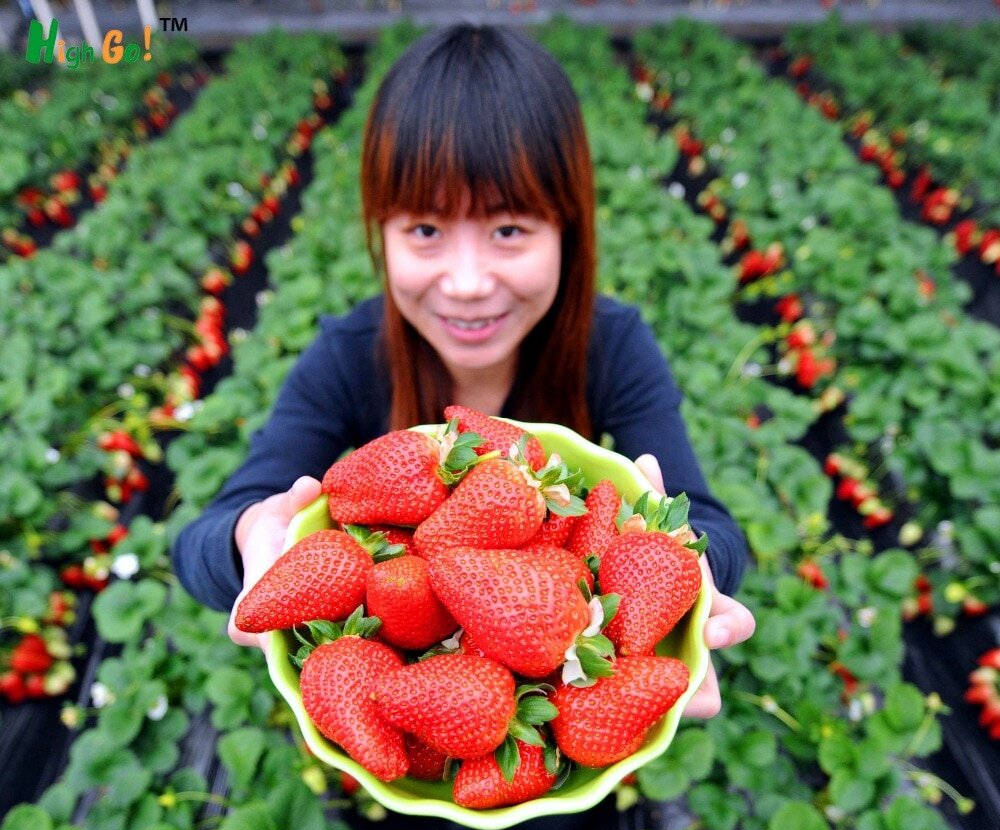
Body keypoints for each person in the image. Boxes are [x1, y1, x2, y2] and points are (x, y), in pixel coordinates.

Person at [173, 24, 754, 776]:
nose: (469, 280)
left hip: (549, 703)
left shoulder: (614, 346)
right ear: (378, 233)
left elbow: (711, 528)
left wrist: (688, 569)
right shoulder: (348, 356)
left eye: (509, 228)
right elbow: (200, 544)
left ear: (568, 232)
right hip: (422, 716)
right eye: (425, 228)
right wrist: (252, 538)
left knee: (541, 812)